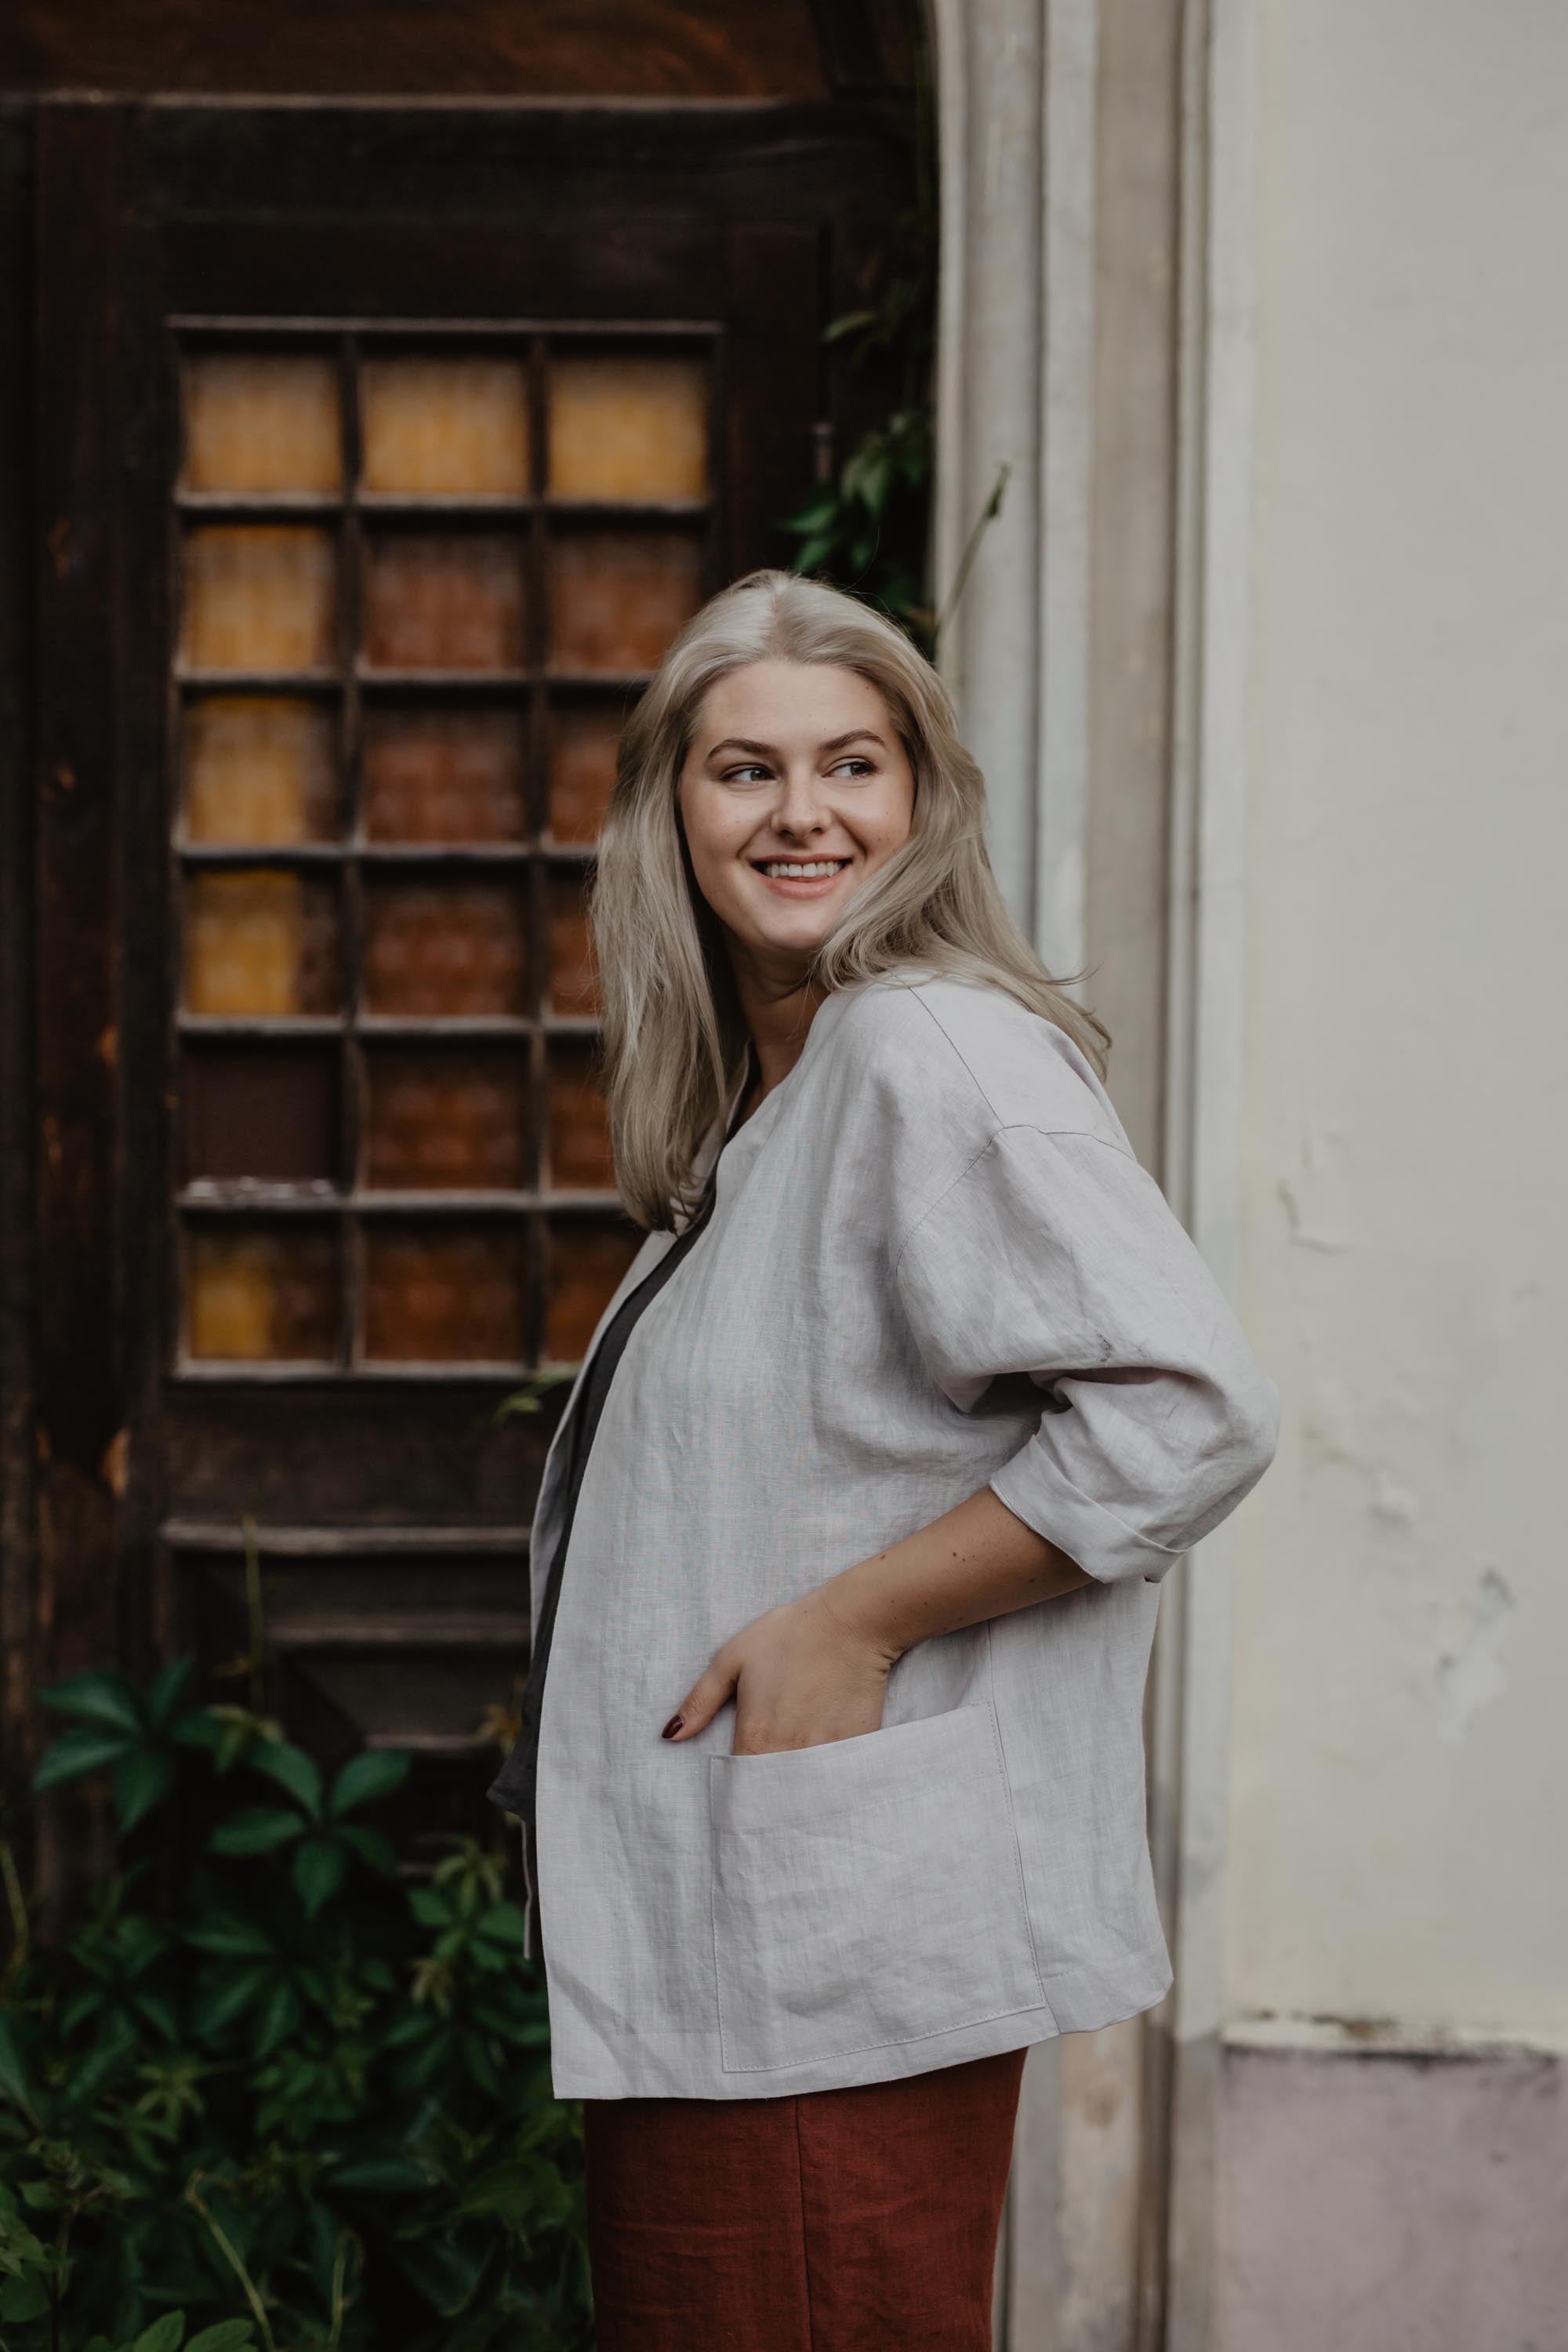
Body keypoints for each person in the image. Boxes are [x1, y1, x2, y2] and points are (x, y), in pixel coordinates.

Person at [487, 570, 1278, 2350]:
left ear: (919, 796)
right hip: (743, 1948)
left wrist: (854, 1621)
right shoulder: (785, 1095)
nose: (801, 813)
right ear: (667, 811)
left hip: (816, 1964)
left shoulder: (928, 1047)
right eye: (742, 769)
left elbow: (1189, 1409)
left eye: (851, 763)